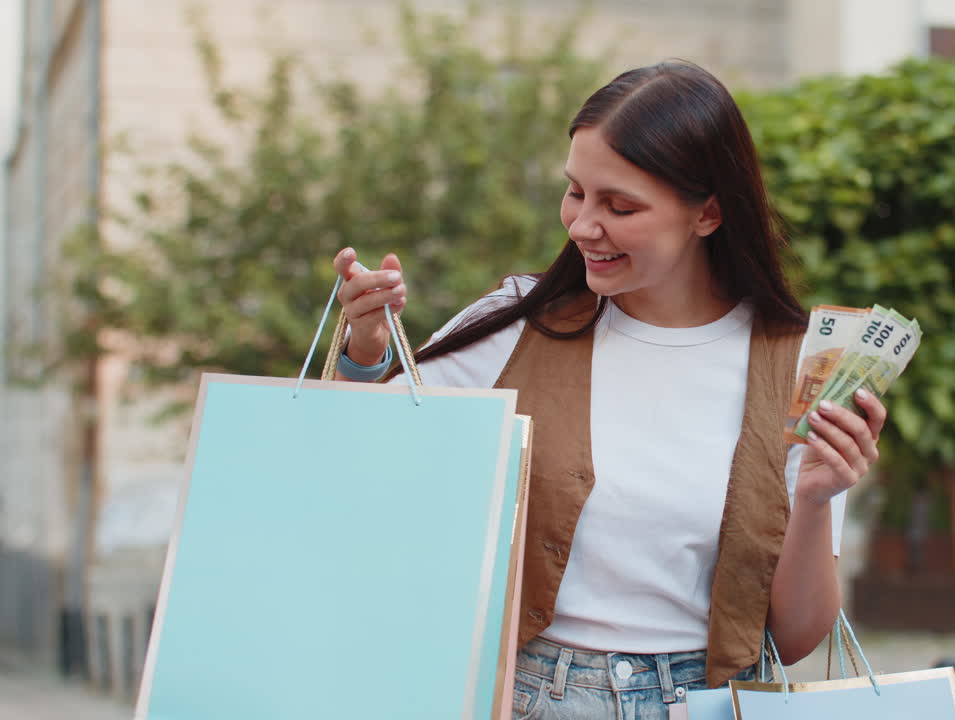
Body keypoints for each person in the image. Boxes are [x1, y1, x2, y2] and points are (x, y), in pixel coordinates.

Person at [331, 61, 886, 720]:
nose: (582, 225)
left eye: (619, 206)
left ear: (708, 212)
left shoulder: (798, 365)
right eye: (576, 193)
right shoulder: (518, 321)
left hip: (706, 702)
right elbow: (352, 461)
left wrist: (818, 498)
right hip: (527, 697)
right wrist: (365, 351)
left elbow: (794, 639)